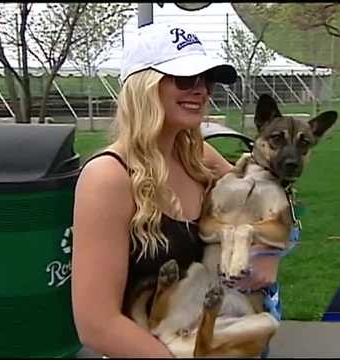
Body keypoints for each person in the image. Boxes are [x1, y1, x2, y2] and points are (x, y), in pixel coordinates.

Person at [71, 22, 287, 358]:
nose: (201, 90)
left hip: (220, 340)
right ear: (144, 85)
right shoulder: (108, 177)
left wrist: (270, 254)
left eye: (207, 80)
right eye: (186, 79)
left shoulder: (199, 157)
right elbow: (97, 324)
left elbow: (276, 209)